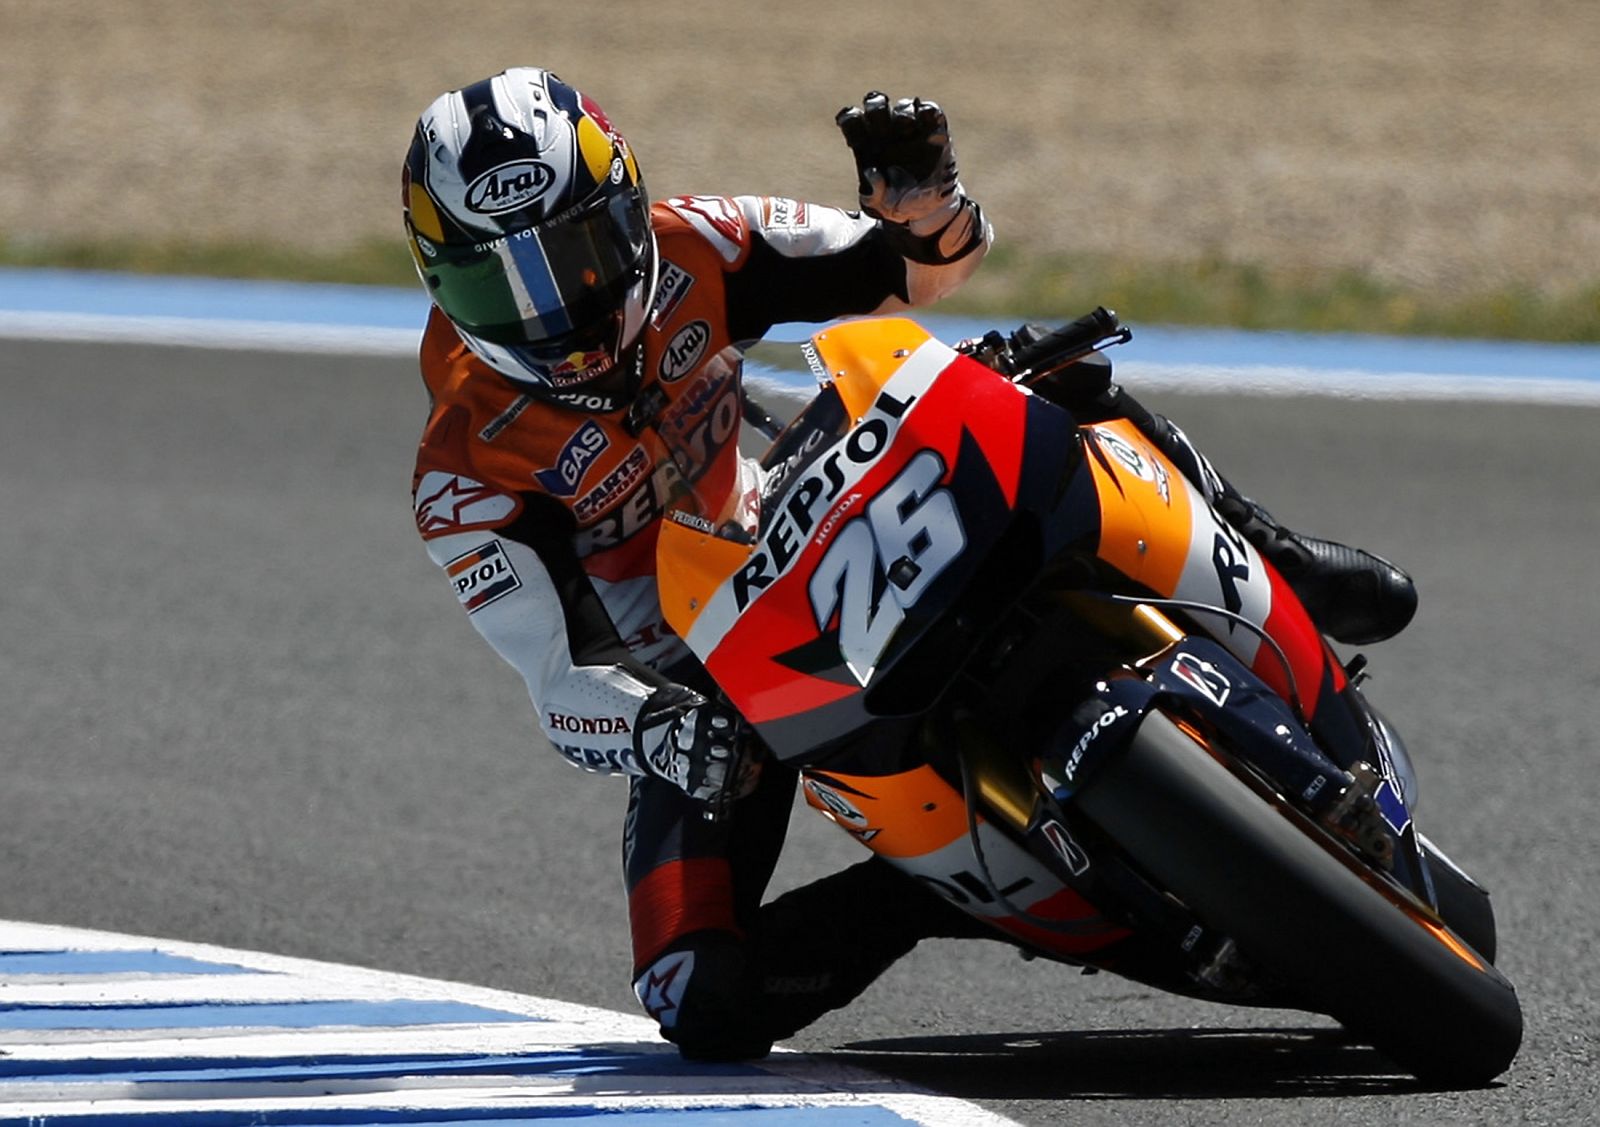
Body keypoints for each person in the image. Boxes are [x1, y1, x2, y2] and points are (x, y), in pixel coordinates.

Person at [404, 67, 1416, 1061]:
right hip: (717, 677)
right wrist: (666, 730)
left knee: (1051, 372)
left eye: (576, 256)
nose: (555, 315)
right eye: (499, 283)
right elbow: (559, 685)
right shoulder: (463, 470)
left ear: (624, 211)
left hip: (810, 497)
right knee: (695, 995)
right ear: (437, 277)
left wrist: (923, 200)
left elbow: (914, 270)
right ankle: (932, 888)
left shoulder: (696, 242)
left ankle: (1275, 551)